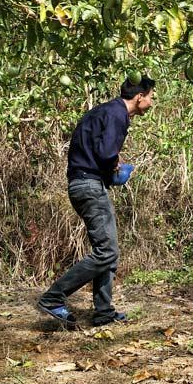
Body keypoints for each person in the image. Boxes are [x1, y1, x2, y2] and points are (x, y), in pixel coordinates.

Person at [38, 75, 155, 327]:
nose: (152, 103)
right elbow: (105, 154)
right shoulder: (117, 114)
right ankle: (53, 297)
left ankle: (103, 312)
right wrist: (117, 166)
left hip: (83, 183)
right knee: (107, 251)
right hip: (88, 185)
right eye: (151, 97)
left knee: (108, 251)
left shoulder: (104, 111)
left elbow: (96, 149)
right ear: (139, 97)